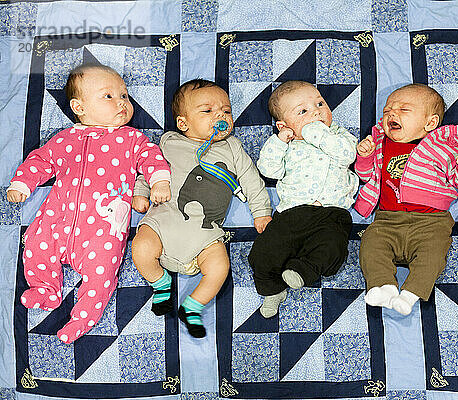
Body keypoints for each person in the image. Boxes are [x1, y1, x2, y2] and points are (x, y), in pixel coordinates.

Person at [7, 64, 171, 343]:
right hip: (56, 218)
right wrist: (23, 183)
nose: (121, 102)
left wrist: (160, 181)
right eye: (109, 96)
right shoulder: (66, 139)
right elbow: (41, 159)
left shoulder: (131, 139)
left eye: (125, 96)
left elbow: (152, 157)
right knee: (34, 242)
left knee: (102, 274)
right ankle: (45, 289)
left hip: (103, 232)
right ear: (79, 107)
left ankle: (82, 319)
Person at [131, 79, 272, 338]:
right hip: (164, 220)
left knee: (220, 267)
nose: (220, 115)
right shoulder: (170, 143)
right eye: (208, 111)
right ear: (183, 123)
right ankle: (160, 282)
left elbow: (252, 180)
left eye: (226, 111)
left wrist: (261, 211)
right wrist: (141, 193)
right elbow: (150, 171)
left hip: (205, 233)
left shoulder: (232, 147)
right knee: (140, 248)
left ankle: (193, 305)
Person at [354, 83, 458, 315]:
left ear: (430, 123)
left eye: (403, 110)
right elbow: (366, 175)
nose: (392, 114)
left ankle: (411, 293)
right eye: (387, 111)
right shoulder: (381, 145)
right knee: (370, 244)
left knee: (433, 256)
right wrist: (365, 156)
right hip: (387, 221)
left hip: (431, 223)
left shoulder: (441, 149)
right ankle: (384, 286)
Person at [248, 80, 358, 318]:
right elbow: (269, 170)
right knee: (262, 253)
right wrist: (279, 141)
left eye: (320, 103)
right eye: (303, 111)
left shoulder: (338, 134)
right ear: (284, 125)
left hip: (333, 212)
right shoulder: (285, 144)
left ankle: (302, 270)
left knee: (333, 250)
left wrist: (316, 131)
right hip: (292, 212)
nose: (316, 111)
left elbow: (347, 155)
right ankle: (272, 290)